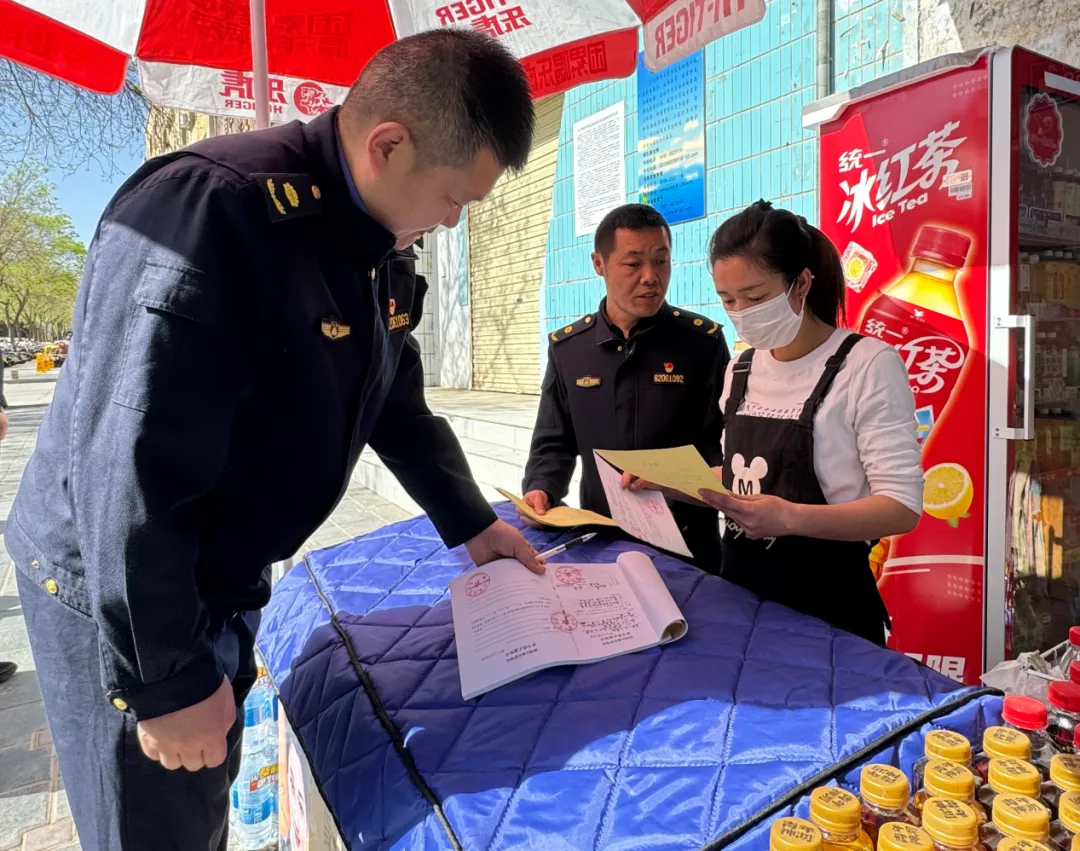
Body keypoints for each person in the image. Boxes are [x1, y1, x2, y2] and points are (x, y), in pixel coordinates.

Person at [7, 30, 541, 851]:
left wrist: (472, 522)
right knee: (157, 820)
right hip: (127, 587)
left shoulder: (380, 247)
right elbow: (127, 464)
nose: (450, 220)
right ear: (388, 146)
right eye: (452, 198)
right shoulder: (209, 215)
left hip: (217, 568)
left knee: (202, 796)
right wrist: (166, 678)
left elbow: (395, 404)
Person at [698, 200, 922, 643]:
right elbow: (739, 476)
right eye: (728, 300)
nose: (741, 312)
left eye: (755, 297)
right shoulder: (740, 368)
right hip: (741, 600)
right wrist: (671, 482)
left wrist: (791, 518)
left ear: (801, 283)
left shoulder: (867, 364)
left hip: (830, 611)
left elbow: (901, 506)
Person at [521, 204, 730, 571]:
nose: (651, 277)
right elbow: (554, 440)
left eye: (661, 261)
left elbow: (720, 442)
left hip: (687, 545)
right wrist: (541, 487)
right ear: (599, 264)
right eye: (633, 264)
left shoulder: (701, 343)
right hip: (602, 540)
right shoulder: (570, 349)